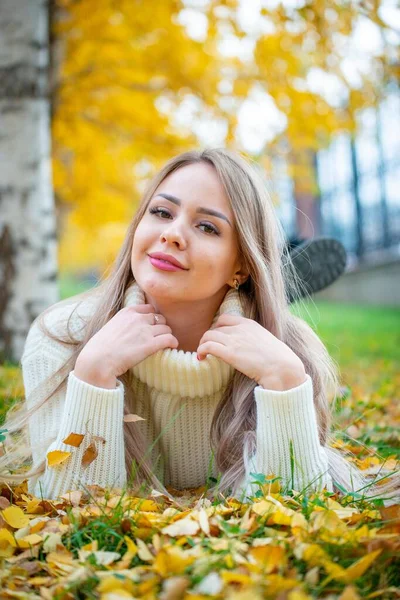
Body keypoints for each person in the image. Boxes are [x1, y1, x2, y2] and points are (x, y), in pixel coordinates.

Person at [1, 148, 397, 505]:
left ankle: (275, 273)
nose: (172, 234)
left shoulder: (290, 351)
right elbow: (68, 509)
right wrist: (93, 375)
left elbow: (296, 513)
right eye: (161, 212)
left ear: (241, 265)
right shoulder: (62, 336)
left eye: (207, 227)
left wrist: (285, 380)